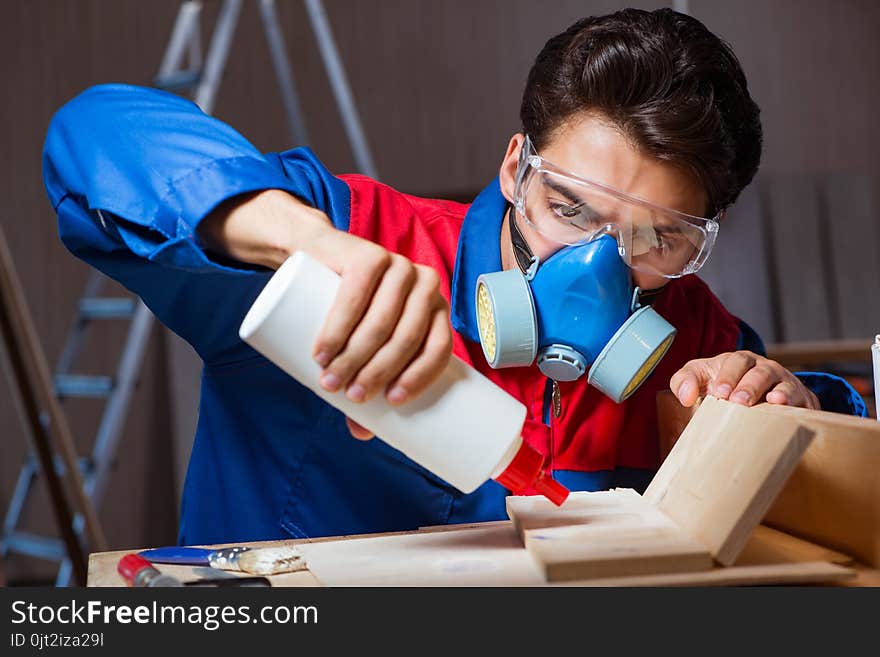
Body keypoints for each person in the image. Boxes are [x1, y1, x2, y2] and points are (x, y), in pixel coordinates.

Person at [42, 8, 864, 546]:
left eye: (658, 237)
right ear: (516, 167)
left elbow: (821, 480)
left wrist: (793, 401)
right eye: (570, 210)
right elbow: (93, 136)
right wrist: (300, 242)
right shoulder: (357, 242)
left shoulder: (693, 334)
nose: (600, 268)